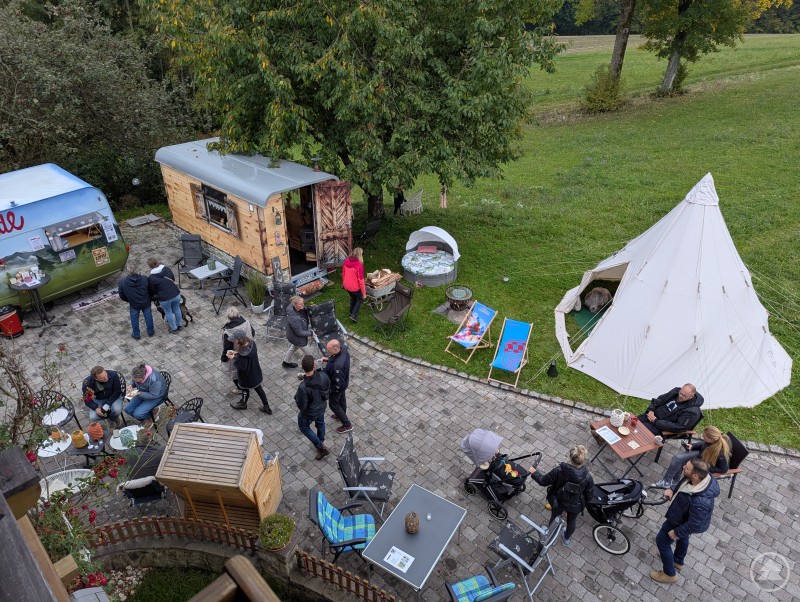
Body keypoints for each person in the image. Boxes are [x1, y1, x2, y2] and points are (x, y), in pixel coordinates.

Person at [650, 457, 720, 583]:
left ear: (695, 475)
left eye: (686, 468)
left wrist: (676, 532)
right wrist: (672, 489)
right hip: (682, 518)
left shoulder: (701, 502)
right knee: (683, 538)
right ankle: (677, 561)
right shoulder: (701, 478)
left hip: (679, 522)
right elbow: (684, 481)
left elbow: (694, 524)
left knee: (662, 542)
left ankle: (669, 574)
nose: (683, 467)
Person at [528, 445, 594, 548]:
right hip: (576, 505)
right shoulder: (588, 477)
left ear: (570, 457)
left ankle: (550, 536)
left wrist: (534, 473)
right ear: (583, 460)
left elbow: (543, 481)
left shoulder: (559, 470)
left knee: (555, 518)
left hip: (558, 501)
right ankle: (566, 539)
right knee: (572, 521)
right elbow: (589, 495)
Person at [653, 426, 730, 492]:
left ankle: (674, 484)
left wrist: (706, 468)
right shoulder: (712, 441)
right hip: (701, 455)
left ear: (711, 439)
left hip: (704, 464)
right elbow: (703, 444)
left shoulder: (720, 453)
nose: (703, 437)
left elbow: (724, 469)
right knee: (678, 458)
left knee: (685, 464)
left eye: (704, 437)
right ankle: (668, 481)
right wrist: (692, 446)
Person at [295, 354, 331, 460]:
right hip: (322, 407)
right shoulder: (323, 376)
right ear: (314, 366)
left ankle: (320, 447)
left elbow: (302, 406)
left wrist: (297, 397)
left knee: (304, 427)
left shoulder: (303, 387)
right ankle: (321, 440)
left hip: (309, 412)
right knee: (320, 423)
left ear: (302, 367)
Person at [228, 329, 272, 413]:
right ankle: (266, 406)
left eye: (235, 339)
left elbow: (241, 367)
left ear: (239, 340)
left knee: (245, 390)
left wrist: (233, 357)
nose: (234, 341)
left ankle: (243, 404)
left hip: (247, 377)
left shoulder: (242, 356)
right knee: (259, 389)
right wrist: (237, 353)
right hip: (255, 372)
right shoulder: (252, 344)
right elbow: (244, 352)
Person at [637, 383, 704, 436]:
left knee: (640, 432)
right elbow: (660, 399)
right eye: (680, 393)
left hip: (662, 428)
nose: (680, 396)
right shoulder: (676, 391)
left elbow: (679, 427)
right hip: (653, 416)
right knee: (634, 422)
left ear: (691, 396)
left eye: (684, 395)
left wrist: (656, 421)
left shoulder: (692, 411)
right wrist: (651, 410)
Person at [220, 307, 255, 393]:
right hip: (248, 351)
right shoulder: (247, 323)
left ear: (228, 317)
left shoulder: (228, 332)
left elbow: (227, 348)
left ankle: (240, 388)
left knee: (235, 372)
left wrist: (224, 358)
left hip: (236, 355)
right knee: (247, 368)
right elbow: (253, 333)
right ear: (238, 314)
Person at [323, 339, 352, 433]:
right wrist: (328, 359)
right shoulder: (343, 349)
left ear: (336, 348)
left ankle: (347, 425)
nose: (327, 351)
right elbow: (335, 358)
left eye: (329, 349)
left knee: (333, 404)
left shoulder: (337, 367)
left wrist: (330, 390)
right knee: (342, 399)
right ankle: (341, 415)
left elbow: (338, 384)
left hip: (337, 387)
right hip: (344, 383)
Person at [147, 258, 182, 334]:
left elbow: (153, 290)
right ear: (157, 262)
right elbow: (173, 278)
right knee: (177, 309)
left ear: (150, 267)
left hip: (164, 298)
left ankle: (174, 329)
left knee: (168, 312)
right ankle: (179, 325)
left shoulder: (151, 278)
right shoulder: (166, 269)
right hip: (175, 293)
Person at [118, 268, 154, 340]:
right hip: (146, 301)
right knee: (148, 316)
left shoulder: (123, 282)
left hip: (134, 303)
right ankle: (150, 332)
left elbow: (121, 295)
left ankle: (136, 334)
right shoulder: (145, 279)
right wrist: (149, 297)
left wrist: (129, 300)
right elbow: (151, 289)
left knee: (134, 318)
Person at [282, 296, 316, 368]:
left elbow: (304, 309)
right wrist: (311, 333)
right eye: (301, 304)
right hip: (297, 338)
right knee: (310, 355)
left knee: (293, 347)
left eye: (303, 302)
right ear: (295, 305)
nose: (303, 305)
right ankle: (315, 368)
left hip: (292, 334)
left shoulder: (293, 306)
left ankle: (286, 362)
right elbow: (299, 332)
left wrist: (309, 308)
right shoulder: (295, 318)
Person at [342, 248, 367, 322]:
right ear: (360, 255)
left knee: (353, 297)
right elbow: (361, 281)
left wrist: (343, 283)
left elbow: (343, 274)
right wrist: (364, 293)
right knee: (360, 299)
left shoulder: (346, 261)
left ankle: (350, 312)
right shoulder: (359, 265)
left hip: (346, 285)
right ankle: (354, 315)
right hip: (354, 287)